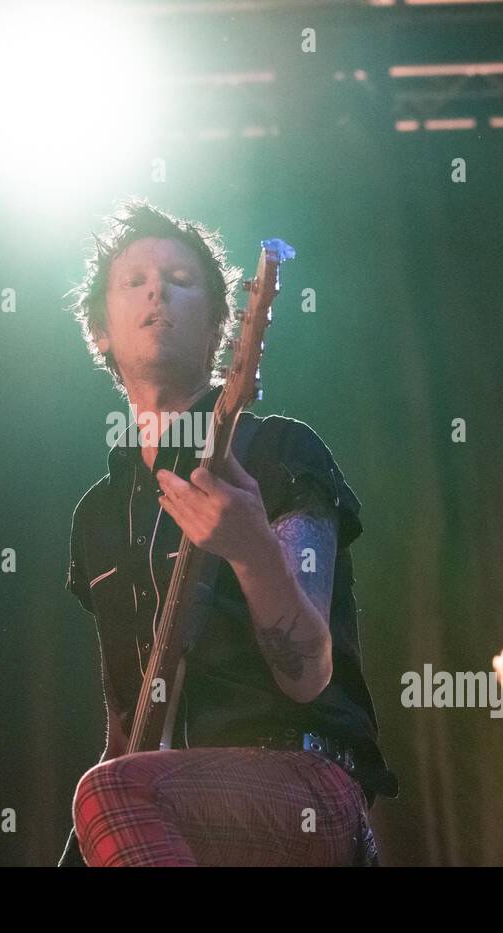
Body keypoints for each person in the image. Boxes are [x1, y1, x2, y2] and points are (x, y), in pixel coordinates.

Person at [61, 199, 398, 866]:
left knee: (113, 793)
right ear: (100, 331)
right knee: (106, 795)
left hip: (301, 786)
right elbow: (123, 732)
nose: (158, 288)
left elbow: (308, 674)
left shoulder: (276, 453)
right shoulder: (98, 516)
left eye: (182, 280)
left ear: (225, 325)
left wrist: (252, 552)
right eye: (135, 281)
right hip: (155, 801)